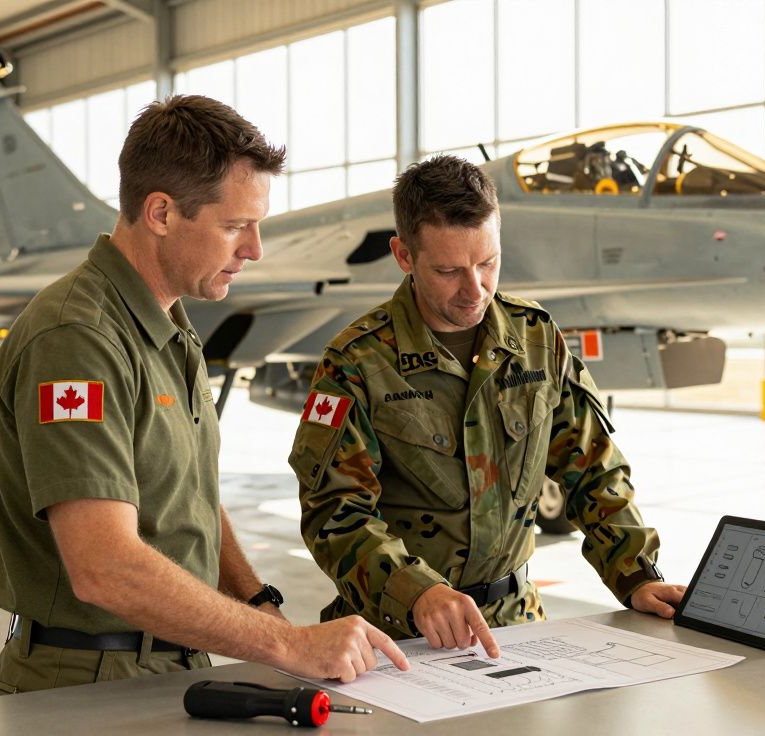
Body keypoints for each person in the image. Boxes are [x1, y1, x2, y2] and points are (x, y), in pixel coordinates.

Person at [0, 95, 406, 695]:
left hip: (165, 663)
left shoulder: (169, 325)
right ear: (160, 212)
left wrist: (259, 605)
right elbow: (104, 568)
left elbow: (189, 497)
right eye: (235, 226)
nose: (255, 249)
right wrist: (286, 646)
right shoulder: (79, 338)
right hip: (85, 684)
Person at [291, 155, 686, 656]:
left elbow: (593, 469)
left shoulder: (536, 337)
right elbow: (335, 514)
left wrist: (636, 575)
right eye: (449, 270)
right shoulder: (357, 363)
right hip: (395, 639)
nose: (474, 289)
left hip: (519, 626)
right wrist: (418, 593)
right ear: (404, 255)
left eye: (488, 263)